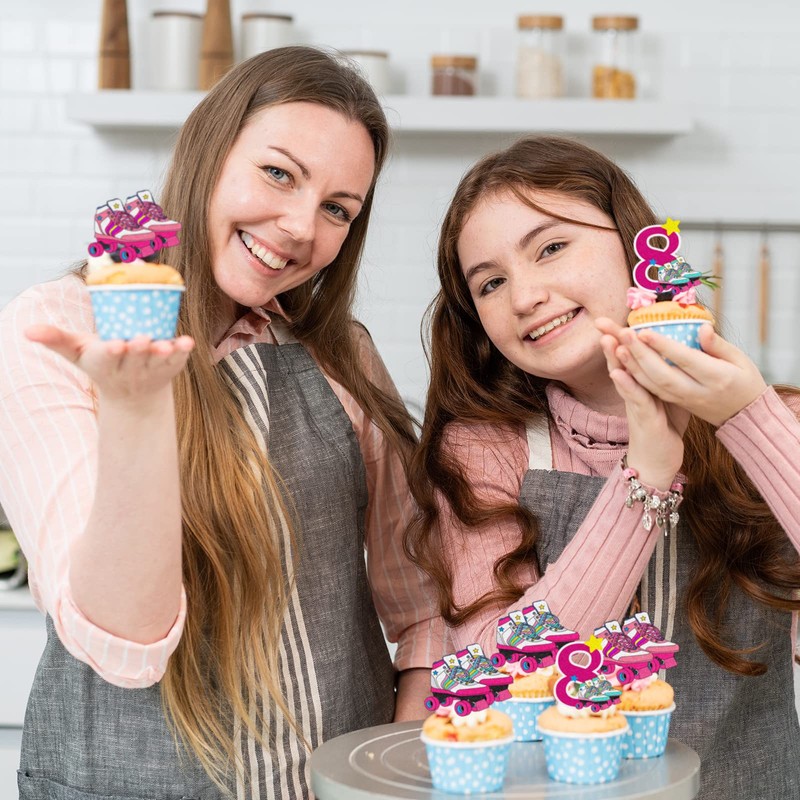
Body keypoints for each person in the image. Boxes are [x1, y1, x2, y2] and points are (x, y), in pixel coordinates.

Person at [0, 46, 437, 800]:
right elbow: (124, 642)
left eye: (338, 208)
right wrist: (137, 407)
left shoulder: (342, 355)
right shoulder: (57, 328)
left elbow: (423, 598)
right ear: (210, 150)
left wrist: (399, 754)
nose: (302, 227)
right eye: (278, 172)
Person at [404, 135, 800, 799]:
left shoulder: (771, 418)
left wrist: (748, 416)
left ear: (632, 242)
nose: (525, 295)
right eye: (491, 283)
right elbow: (496, 677)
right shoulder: (485, 449)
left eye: (551, 247)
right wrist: (644, 479)